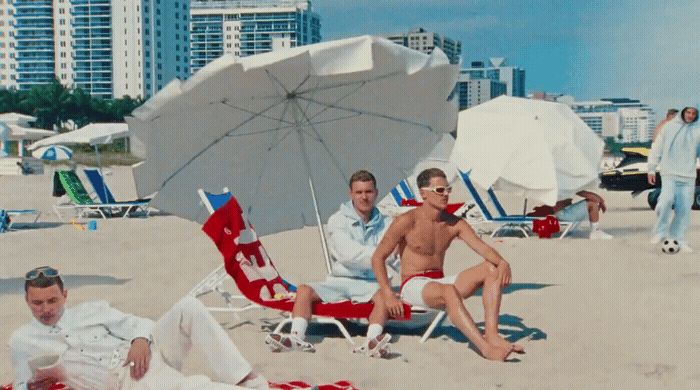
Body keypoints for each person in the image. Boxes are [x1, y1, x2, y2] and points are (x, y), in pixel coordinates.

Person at [10, 266, 268, 390]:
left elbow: (140, 324)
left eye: (52, 300)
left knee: (188, 307)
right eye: (38, 303)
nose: (46, 309)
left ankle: (243, 378)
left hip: (147, 352)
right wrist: (34, 386)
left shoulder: (90, 310)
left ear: (65, 295)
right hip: (126, 378)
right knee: (189, 387)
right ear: (27, 301)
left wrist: (140, 340)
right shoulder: (22, 340)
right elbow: (22, 384)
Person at [371, 168, 524, 362]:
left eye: (448, 189)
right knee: (448, 291)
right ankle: (485, 348)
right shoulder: (406, 221)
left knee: (490, 268)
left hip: (439, 281)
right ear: (423, 193)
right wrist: (387, 294)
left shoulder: (454, 223)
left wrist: (503, 262)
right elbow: (378, 257)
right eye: (440, 190)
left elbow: (483, 249)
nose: (446, 195)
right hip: (413, 285)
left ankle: (492, 334)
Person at [265, 170, 394, 358]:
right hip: (339, 280)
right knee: (304, 290)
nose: (364, 197)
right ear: (351, 194)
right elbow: (347, 254)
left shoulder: (387, 223)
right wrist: (380, 257)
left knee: (384, 294)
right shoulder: (337, 220)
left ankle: (372, 341)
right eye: (359, 192)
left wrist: (380, 258)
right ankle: (296, 336)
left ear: (376, 193)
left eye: (368, 192)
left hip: (371, 282)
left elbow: (390, 256)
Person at [648, 106, 700, 252]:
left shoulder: (698, 131)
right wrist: (651, 168)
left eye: (694, 114)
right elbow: (657, 148)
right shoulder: (668, 128)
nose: (690, 115)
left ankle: (679, 238)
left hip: (688, 175)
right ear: (683, 112)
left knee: (684, 209)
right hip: (669, 173)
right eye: (688, 112)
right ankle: (660, 231)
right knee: (666, 201)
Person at [528, 190, 613, 239]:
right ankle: (595, 231)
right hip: (563, 213)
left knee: (592, 202)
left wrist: (600, 200)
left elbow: (584, 192)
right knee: (591, 204)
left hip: (563, 212)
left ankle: (595, 230)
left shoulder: (563, 180)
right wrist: (601, 201)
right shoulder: (565, 181)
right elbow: (585, 194)